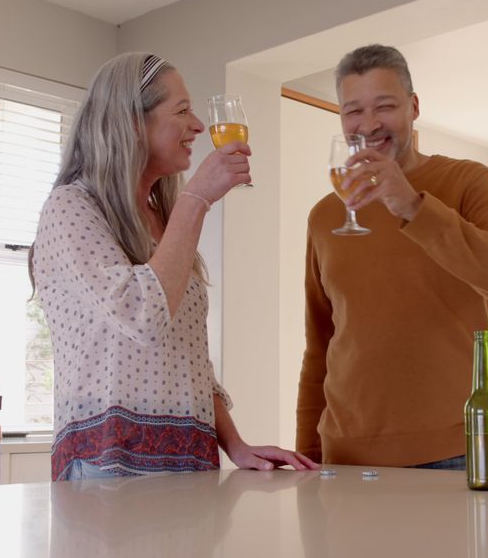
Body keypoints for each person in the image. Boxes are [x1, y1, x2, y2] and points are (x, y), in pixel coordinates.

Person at [33, 52, 318, 480]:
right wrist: (197, 199)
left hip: (191, 462)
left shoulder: (162, 219)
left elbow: (189, 354)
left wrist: (235, 444)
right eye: (182, 110)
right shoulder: (71, 207)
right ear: (132, 121)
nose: (199, 125)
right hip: (108, 467)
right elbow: (141, 315)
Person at [296, 44, 488, 470]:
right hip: (345, 458)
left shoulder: (468, 182)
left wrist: (414, 206)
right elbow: (320, 346)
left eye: (385, 106)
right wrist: (307, 454)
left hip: (458, 450)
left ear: (413, 107)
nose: (370, 124)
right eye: (353, 110)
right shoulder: (324, 216)